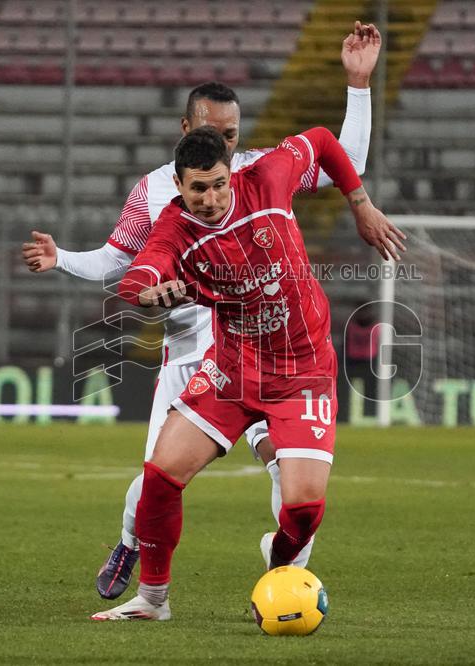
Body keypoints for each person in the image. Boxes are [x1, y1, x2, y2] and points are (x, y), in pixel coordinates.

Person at [22, 22, 382, 601]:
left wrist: (357, 85)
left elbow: (347, 159)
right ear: (187, 130)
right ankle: (130, 549)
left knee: (287, 473)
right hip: (189, 355)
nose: (224, 148)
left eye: (233, 135)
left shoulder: (258, 173)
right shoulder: (156, 194)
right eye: (213, 134)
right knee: (157, 479)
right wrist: (69, 260)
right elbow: (121, 265)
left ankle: (283, 573)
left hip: (258, 349)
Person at [91, 124, 405, 621]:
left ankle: (279, 567)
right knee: (159, 477)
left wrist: (360, 203)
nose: (211, 197)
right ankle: (153, 599)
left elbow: (323, 139)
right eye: (198, 188)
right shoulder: (175, 226)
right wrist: (148, 292)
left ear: (230, 174)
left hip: (303, 371)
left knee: (303, 512)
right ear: (179, 186)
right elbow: (142, 271)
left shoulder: (268, 179)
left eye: (218, 183)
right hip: (232, 370)